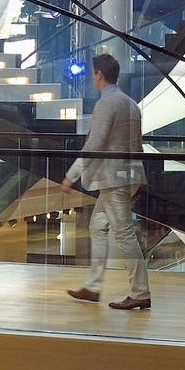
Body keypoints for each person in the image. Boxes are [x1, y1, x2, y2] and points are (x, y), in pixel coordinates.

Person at [61, 51, 150, 311]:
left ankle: (140, 291)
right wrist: (138, 181)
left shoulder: (106, 104)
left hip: (112, 180)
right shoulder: (131, 103)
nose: (92, 78)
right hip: (125, 177)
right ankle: (93, 286)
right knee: (98, 226)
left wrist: (71, 175)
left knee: (124, 235)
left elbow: (95, 143)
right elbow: (138, 146)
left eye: (92, 74)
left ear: (99, 74)